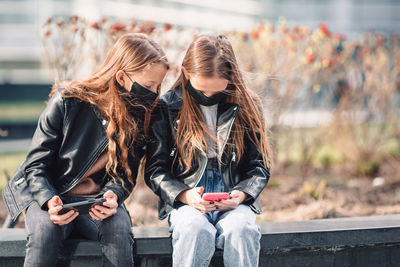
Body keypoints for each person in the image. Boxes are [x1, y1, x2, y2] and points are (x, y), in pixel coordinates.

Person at [2, 33, 169, 267]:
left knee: (119, 232)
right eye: (149, 85)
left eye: (159, 85)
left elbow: (125, 174)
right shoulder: (68, 101)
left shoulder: (144, 112)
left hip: (97, 202)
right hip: (52, 195)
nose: (155, 93)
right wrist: (49, 200)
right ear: (121, 77)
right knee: (44, 234)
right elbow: (35, 164)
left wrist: (113, 195)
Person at [145, 34, 271, 267]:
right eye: (201, 90)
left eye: (217, 92)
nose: (208, 97)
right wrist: (184, 195)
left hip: (234, 195)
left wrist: (241, 195)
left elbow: (259, 166)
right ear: (186, 73)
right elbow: (155, 170)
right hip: (186, 195)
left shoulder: (248, 104)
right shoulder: (167, 106)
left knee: (242, 230)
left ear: (231, 78)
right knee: (194, 229)